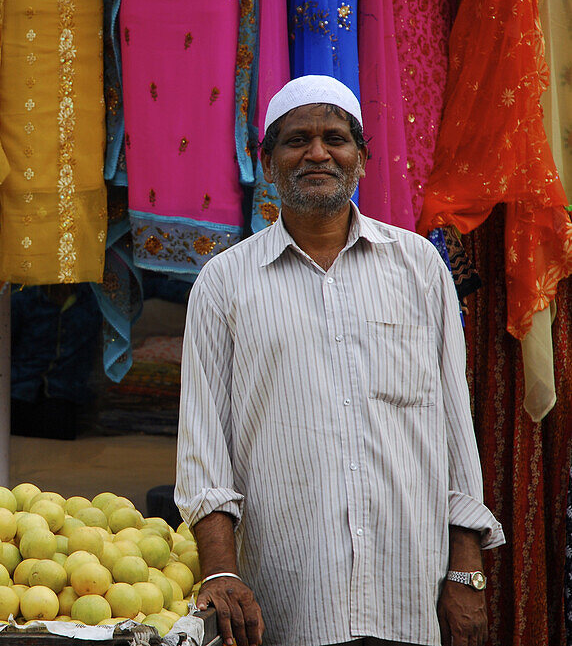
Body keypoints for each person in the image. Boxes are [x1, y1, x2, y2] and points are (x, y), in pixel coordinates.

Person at [174, 75, 504, 646]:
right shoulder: (223, 284)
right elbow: (204, 451)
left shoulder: (420, 268)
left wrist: (466, 570)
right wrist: (221, 572)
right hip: (288, 599)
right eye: (296, 139)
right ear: (269, 162)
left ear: (362, 159)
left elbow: (455, 428)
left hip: (408, 589)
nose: (318, 152)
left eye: (335, 137)